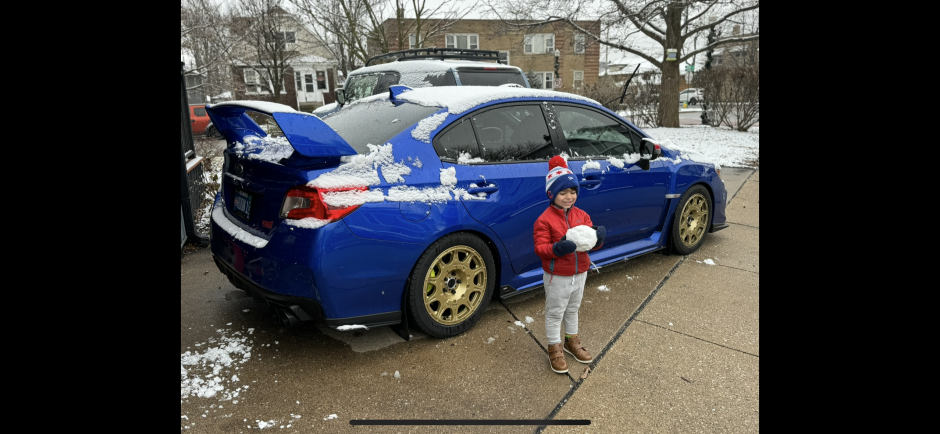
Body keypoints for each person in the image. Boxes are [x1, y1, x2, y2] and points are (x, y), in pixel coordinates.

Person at [534, 156, 607, 374]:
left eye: (572, 192)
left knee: (573, 308)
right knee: (556, 311)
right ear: (551, 194)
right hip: (558, 275)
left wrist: (598, 239)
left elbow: (587, 244)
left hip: (580, 272)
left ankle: (571, 340)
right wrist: (557, 249)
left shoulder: (582, 215)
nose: (569, 197)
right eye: (563, 192)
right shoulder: (544, 220)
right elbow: (540, 248)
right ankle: (554, 346)